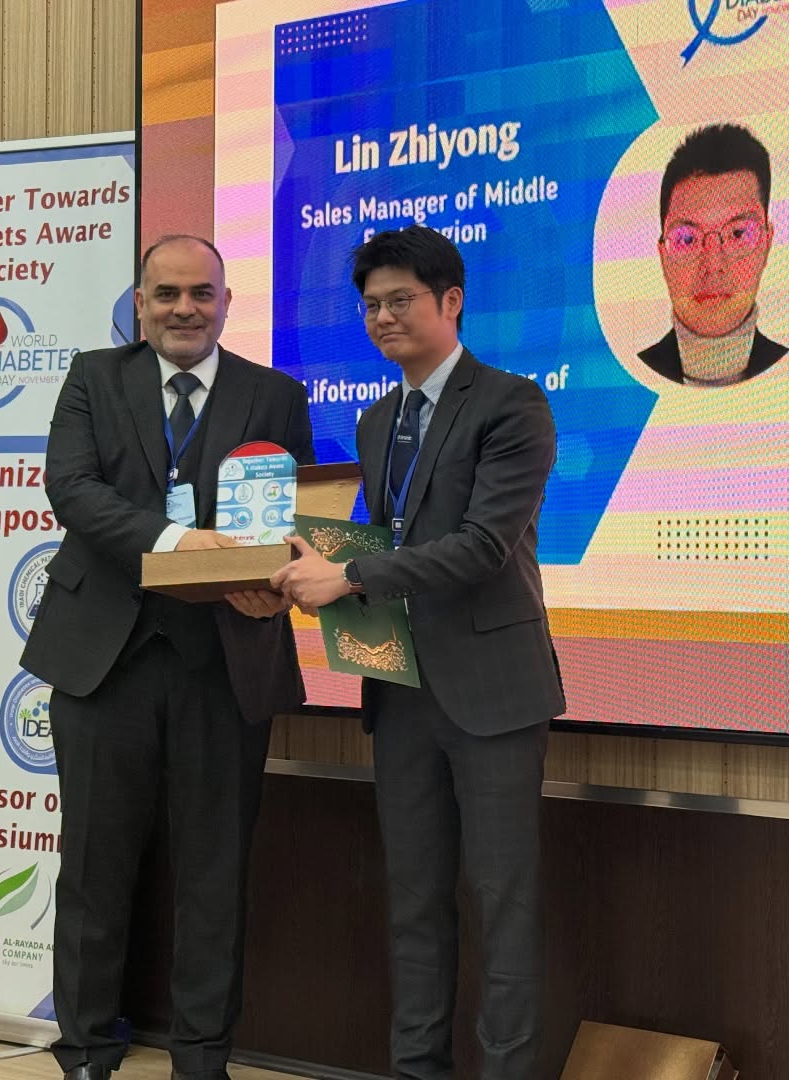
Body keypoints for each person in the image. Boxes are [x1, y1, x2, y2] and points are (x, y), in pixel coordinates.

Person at [272, 225, 564, 1079]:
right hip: (398, 693)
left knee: (505, 908)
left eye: (400, 300)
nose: (383, 318)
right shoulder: (375, 421)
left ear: (451, 301)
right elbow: (382, 537)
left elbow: (482, 546)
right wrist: (289, 568)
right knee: (414, 906)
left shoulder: (513, 404)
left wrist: (349, 575)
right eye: (370, 305)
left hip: (493, 694)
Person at [20, 234, 314, 1080]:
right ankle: (84, 1052)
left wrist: (277, 580)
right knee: (93, 867)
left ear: (226, 303)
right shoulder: (92, 379)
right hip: (103, 659)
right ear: (140, 304)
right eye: (167, 294)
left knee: (216, 874)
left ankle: (201, 1060)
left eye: (202, 294)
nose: (185, 308)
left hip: (226, 661)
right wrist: (180, 542)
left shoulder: (276, 395)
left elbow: (291, 517)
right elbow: (73, 490)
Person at [640, 122, 788, 387]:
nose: (712, 264)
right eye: (687, 239)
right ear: (663, 256)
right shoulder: (623, 376)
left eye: (738, 234)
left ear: (766, 244)